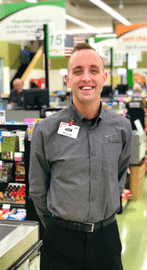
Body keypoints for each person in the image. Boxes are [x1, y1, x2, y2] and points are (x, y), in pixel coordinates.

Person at [29, 43, 132, 270]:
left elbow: (119, 175)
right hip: (61, 242)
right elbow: (37, 189)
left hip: (107, 238)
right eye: (78, 71)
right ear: (68, 79)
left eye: (93, 70)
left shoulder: (122, 128)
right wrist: (58, 226)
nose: (86, 78)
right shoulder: (46, 131)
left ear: (104, 77)